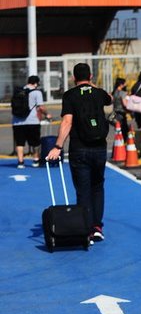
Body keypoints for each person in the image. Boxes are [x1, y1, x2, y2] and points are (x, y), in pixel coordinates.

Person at [46, 63, 112, 243]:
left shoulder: (70, 96)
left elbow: (67, 122)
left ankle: (86, 228)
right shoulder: (99, 94)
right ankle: (98, 227)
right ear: (90, 76)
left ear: (74, 78)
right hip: (99, 148)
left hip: (79, 148)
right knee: (97, 187)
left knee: (83, 190)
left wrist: (57, 146)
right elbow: (110, 99)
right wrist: (93, 87)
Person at [11, 75, 52, 168]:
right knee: (35, 142)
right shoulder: (37, 92)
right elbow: (41, 107)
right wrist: (47, 114)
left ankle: (20, 162)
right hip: (32, 121)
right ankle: (35, 160)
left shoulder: (19, 91)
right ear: (36, 83)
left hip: (17, 121)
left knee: (20, 143)